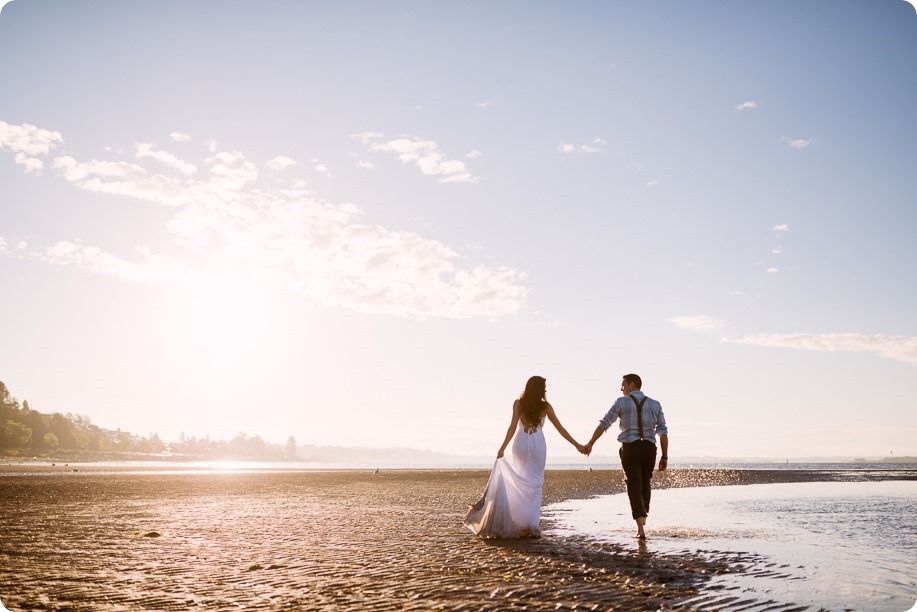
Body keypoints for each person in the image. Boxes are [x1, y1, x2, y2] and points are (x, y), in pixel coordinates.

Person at [464, 376, 587, 538]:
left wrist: (502, 448)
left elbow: (512, 427)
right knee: (535, 484)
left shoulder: (518, 404)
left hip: (520, 443)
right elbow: (560, 429)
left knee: (520, 480)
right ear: (540, 389)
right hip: (537, 445)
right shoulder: (546, 407)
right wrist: (577, 445)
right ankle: (529, 525)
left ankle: (519, 523)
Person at [584, 373, 668, 539]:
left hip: (630, 448)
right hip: (649, 449)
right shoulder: (655, 404)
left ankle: (640, 527)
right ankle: (643, 518)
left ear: (632, 384)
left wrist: (590, 443)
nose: (621, 388)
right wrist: (665, 457)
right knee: (645, 483)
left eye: (623, 384)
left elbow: (605, 423)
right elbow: (663, 432)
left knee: (634, 485)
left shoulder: (622, 401)